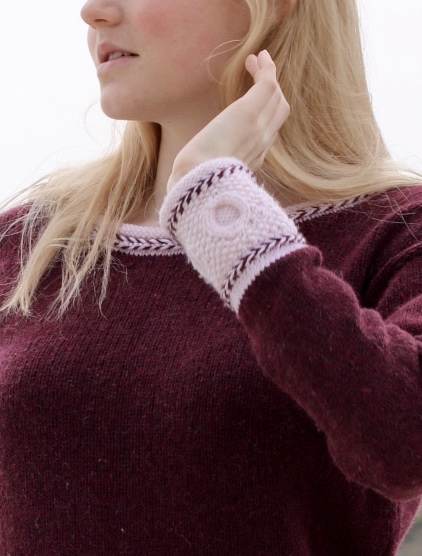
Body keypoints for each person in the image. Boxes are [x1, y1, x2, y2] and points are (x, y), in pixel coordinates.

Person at [1, 1, 422, 554]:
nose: (94, 11)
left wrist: (219, 207)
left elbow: (405, 444)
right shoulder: (30, 244)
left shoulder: (398, 232)